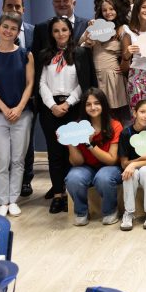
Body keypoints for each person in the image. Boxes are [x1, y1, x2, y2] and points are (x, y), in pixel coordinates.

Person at [37, 16, 93, 215]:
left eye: (64, 30)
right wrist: (52, 105)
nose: (60, 34)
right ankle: (58, 194)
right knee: (54, 153)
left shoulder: (80, 53)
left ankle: (71, 194)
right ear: (51, 34)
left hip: (73, 108)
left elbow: (83, 82)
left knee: (72, 151)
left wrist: (68, 103)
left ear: (70, 31)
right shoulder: (44, 55)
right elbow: (41, 83)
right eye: (56, 31)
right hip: (50, 108)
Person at [0, 13, 34, 217]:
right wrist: (4, 108)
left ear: (18, 32)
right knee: (1, 159)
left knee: (18, 159)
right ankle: (2, 201)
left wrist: (19, 108)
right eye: (5, 27)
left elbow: (29, 84)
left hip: (22, 114)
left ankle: (13, 200)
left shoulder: (26, 54)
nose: (8, 31)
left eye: (13, 28)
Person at [65, 88, 123, 226]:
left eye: (97, 103)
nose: (93, 107)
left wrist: (90, 144)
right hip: (86, 166)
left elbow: (112, 160)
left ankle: (110, 211)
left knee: (103, 177)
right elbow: (77, 162)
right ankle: (81, 212)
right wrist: (70, 142)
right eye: (88, 104)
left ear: (103, 104)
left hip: (109, 167)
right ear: (84, 107)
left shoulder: (115, 125)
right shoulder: (77, 128)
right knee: (73, 178)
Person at [81, 0, 129, 121]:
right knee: (97, 115)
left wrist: (124, 66)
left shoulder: (122, 28)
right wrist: (88, 33)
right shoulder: (95, 26)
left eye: (111, 9)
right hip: (95, 75)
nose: (108, 12)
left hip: (113, 76)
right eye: (104, 10)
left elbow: (128, 53)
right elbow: (80, 44)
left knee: (116, 115)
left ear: (117, 10)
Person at [118, 98, 146, 231]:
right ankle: (129, 212)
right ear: (135, 113)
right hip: (133, 169)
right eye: (142, 112)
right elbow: (124, 164)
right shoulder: (126, 133)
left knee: (145, 171)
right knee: (129, 174)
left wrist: (133, 164)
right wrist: (138, 161)